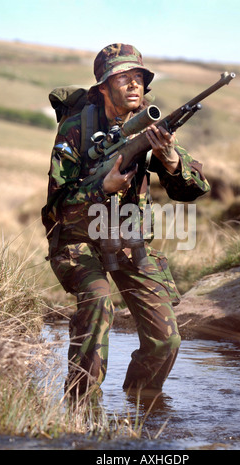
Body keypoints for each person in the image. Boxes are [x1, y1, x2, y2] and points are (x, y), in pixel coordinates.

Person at [43, 43, 210, 401]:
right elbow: (56, 208)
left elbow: (194, 189)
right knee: (99, 301)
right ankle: (81, 406)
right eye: (123, 78)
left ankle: (142, 407)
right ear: (103, 87)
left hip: (129, 241)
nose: (134, 85)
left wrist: (170, 161)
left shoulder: (149, 130)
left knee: (166, 338)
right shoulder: (76, 130)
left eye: (139, 78)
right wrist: (100, 189)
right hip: (78, 241)